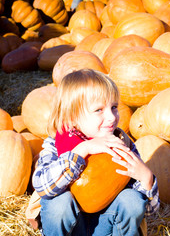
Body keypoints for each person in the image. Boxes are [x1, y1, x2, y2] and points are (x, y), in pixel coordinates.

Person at [32, 69, 160, 236]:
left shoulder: (122, 145)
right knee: (59, 203)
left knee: (131, 200)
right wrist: (82, 150)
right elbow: (43, 187)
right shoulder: (55, 145)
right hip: (71, 227)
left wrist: (146, 179)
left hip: (106, 225)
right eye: (99, 110)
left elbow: (148, 213)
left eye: (114, 107)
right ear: (72, 117)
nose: (112, 117)